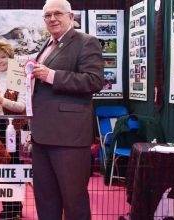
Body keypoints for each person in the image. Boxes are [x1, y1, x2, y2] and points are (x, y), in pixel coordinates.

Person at [31, 0, 104, 219]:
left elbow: (94, 81)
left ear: (71, 17)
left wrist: (52, 76)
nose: (52, 19)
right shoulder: (46, 45)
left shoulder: (86, 42)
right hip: (42, 136)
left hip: (69, 138)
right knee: (45, 199)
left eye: (57, 14)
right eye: (47, 15)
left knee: (74, 200)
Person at [0, 39, 26, 220]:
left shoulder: (17, 74)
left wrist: (2, 101)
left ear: (10, 58)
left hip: (13, 127)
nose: (0, 61)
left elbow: (22, 106)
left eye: (3, 57)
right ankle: (3, 206)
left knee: (13, 168)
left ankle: (14, 209)